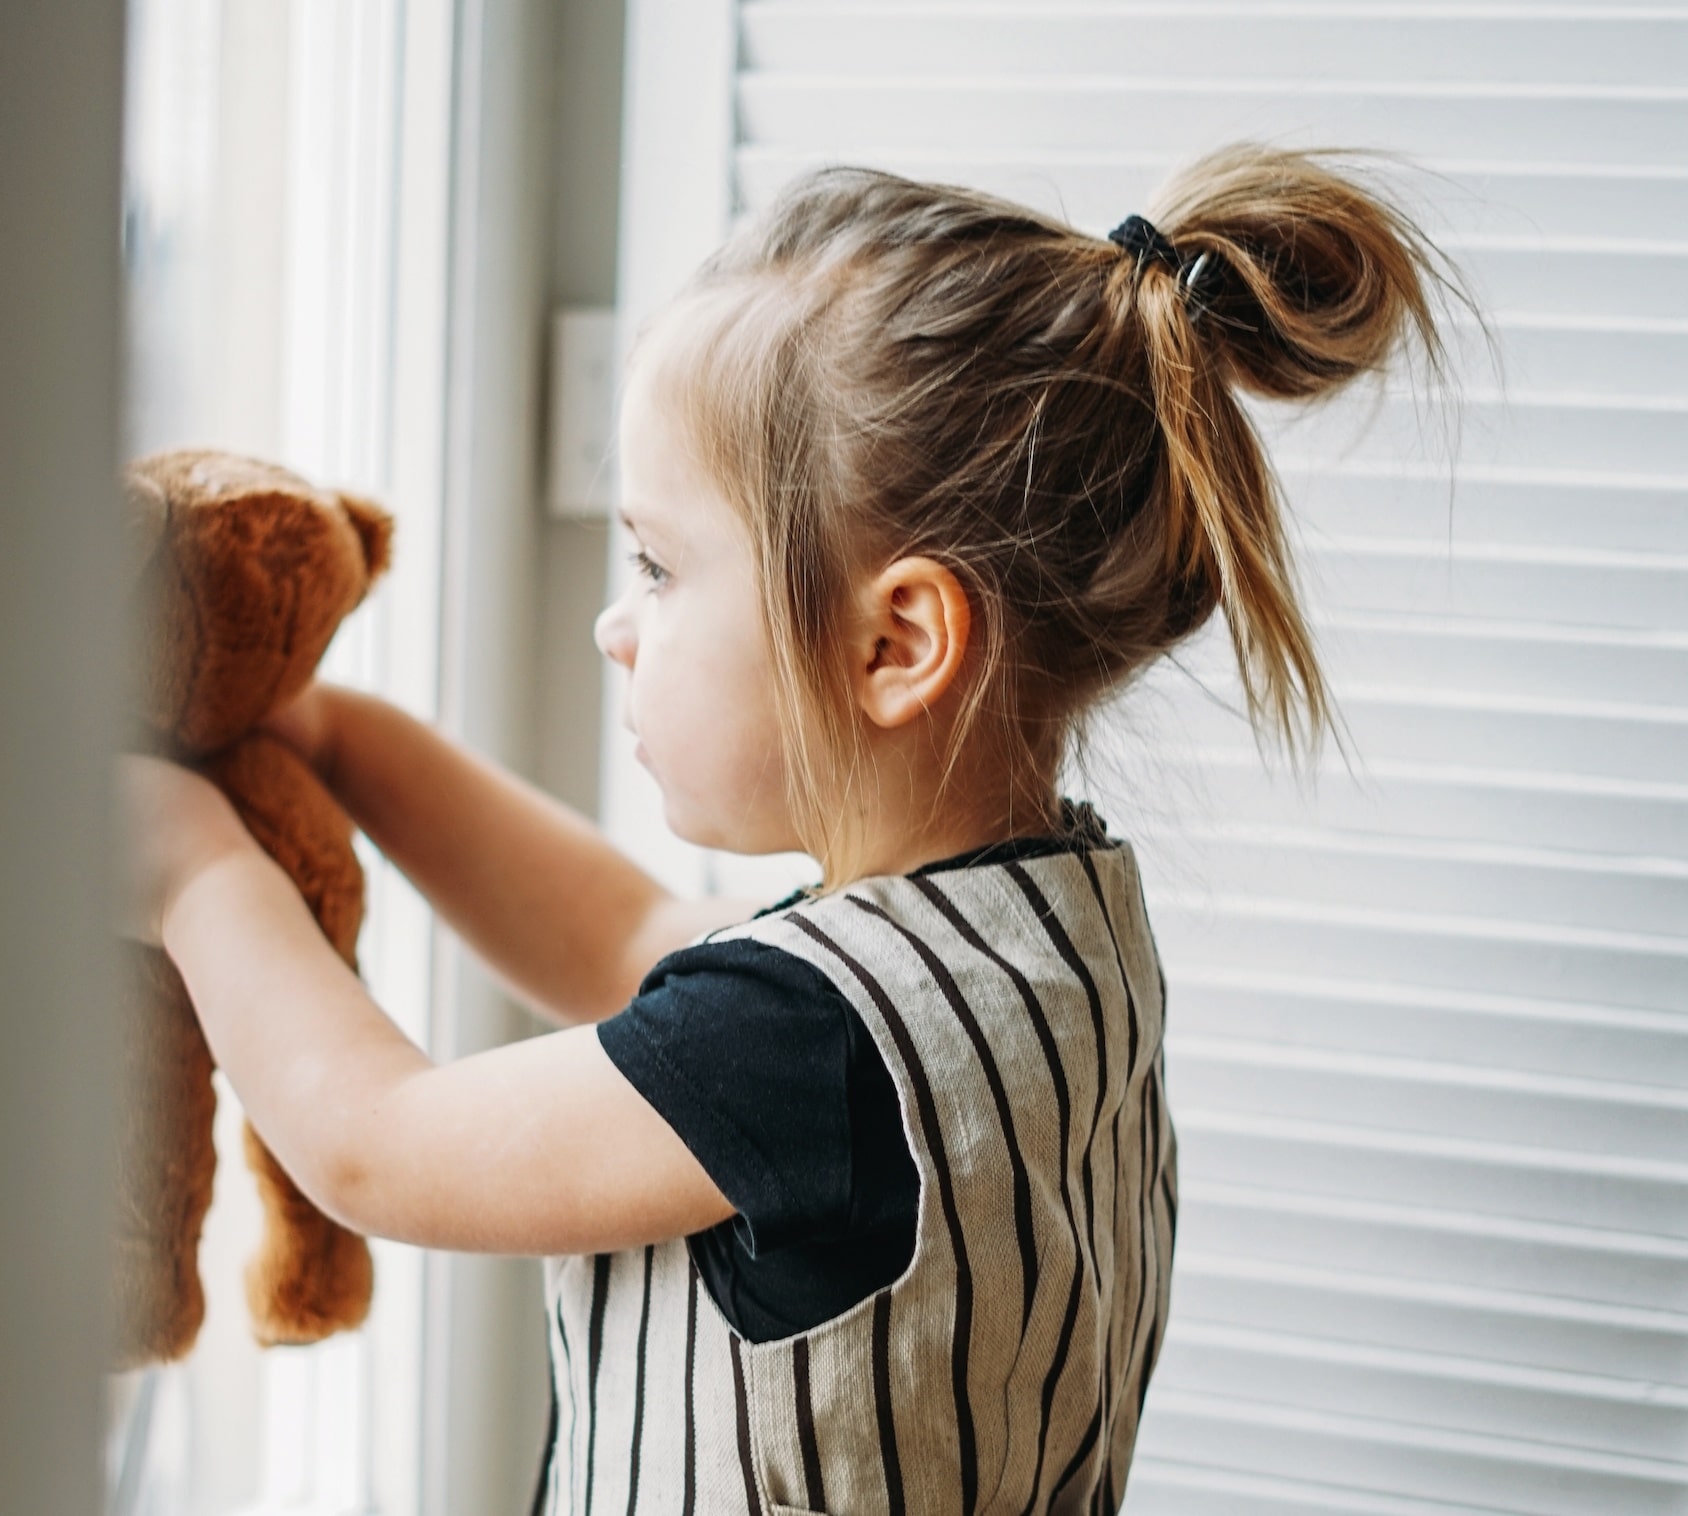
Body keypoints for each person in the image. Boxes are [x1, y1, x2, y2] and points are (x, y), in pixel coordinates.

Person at [120, 142, 1456, 1513]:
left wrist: (186, 866)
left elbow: (375, 1145)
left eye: (659, 565)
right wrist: (341, 741)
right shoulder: (1041, 945)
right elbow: (621, 933)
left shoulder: (799, 1048)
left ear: (896, 642)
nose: (614, 626)